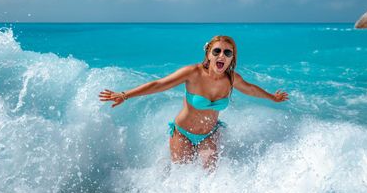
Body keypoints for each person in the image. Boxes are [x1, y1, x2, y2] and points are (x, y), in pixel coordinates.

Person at [99, 35, 289, 170]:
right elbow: (159, 84)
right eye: (217, 51)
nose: (221, 55)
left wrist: (272, 97)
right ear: (208, 54)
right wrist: (125, 94)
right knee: (181, 177)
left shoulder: (232, 79)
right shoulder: (193, 73)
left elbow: (251, 89)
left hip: (210, 133)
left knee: (210, 174)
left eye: (227, 53)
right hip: (182, 133)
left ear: (232, 58)